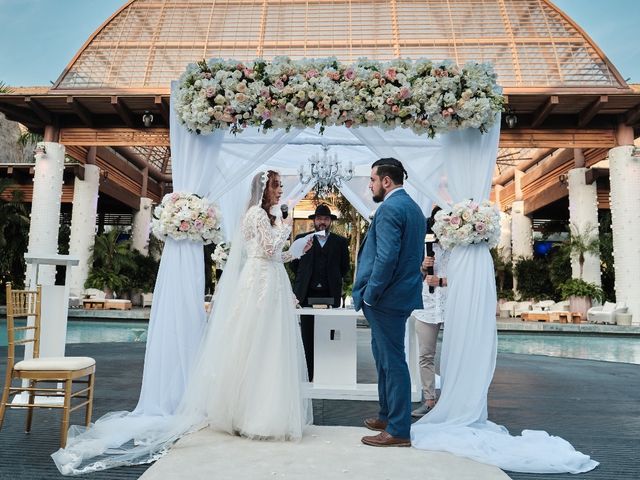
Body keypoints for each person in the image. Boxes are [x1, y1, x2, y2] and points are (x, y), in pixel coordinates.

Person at [52, 170, 314, 474]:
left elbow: (274, 255)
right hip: (259, 283)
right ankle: (248, 415)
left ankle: (267, 412)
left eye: (281, 186)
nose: (281, 190)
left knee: (270, 347)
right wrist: (286, 228)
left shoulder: (265, 216)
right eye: (277, 185)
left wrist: (294, 253)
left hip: (271, 281)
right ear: (264, 188)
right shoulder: (257, 214)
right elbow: (267, 251)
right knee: (254, 344)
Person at [352, 158, 426, 447]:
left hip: (385, 299)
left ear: (386, 181)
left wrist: (370, 294)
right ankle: (387, 415)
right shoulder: (413, 208)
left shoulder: (390, 208)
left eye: (372, 179)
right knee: (384, 359)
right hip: (401, 295)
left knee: (393, 362)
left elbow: (386, 258)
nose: (369, 185)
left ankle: (397, 430)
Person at [291, 203, 351, 381]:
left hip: (330, 294)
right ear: (314, 221)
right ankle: (309, 374)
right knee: (307, 336)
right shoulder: (302, 238)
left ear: (330, 221)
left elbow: (344, 267)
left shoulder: (340, 242)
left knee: (330, 334)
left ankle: (327, 373)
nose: (322, 222)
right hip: (307, 294)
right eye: (319, 219)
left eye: (325, 219)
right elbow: (295, 263)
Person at [410, 207, 450, 418]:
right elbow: (411, 274)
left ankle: (453, 399)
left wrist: (442, 281)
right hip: (426, 305)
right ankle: (429, 400)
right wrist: (423, 268)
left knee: (454, 354)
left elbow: (467, 278)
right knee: (426, 355)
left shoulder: (460, 249)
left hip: (451, 304)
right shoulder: (425, 246)